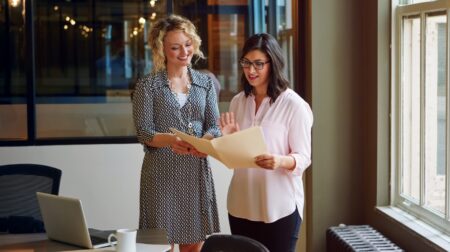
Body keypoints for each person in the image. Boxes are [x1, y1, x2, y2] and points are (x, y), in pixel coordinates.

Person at [132, 14, 221, 252]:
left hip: (195, 174)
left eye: (188, 44)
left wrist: (203, 142)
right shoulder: (147, 85)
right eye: (175, 47)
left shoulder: (206, 84)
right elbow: (144, 132)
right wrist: (174, 140)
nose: (184, 51)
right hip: (160, 176)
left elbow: (215, 127)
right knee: (161, 248)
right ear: (161, 49)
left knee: (194, 247)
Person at [219, 33, 313, 252]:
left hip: (279, 207)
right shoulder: (237, 101)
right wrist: (229, 139)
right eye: (246, 63)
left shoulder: (294, 105)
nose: (251, 70)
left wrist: (280, 161)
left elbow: (303, 157)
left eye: (259, 64)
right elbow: (235, 159)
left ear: (274, 63)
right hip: (241, 204)